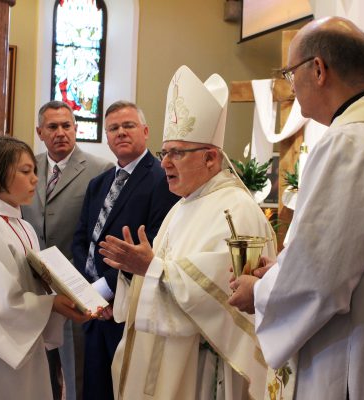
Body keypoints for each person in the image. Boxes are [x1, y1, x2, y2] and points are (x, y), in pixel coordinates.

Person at [228, 16, 364, 400]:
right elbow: (352, 256)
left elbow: (319, 279)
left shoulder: (350, 145)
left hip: (349, 366)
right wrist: (280, 272)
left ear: (318, 69)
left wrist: (261, 292)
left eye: (289, 71)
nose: (290, 84)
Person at [98, 65, 277, 400]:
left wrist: (150, 268)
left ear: (210, 158)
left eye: (176, 152)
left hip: (200, 369)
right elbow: (158, 272)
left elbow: (231, 297)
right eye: (164, 153)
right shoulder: (182, 206)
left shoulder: (236, 211)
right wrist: (132, 272)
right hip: (165, 359)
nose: (165, 162)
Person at [0, 135, 94, 400]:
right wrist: (50, 304)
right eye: (25, 171)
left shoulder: (20, 224)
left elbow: (30, 285)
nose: (35, 179)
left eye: (34, 171)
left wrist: (59, 296)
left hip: (26, 340)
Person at [72, 100, 179, 400]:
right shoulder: (98, 183)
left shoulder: (161, 180)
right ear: (106, 137)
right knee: (93, 388)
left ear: (145, 131)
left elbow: (156, 242)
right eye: (114, 128)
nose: (121, 132)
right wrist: (86, 290)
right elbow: (82, 240)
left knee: (123, 387)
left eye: (128, 125)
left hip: (128, 306)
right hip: (94, 307)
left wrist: (104, 292)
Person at [21, 100, 113, 400]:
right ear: (40, 132)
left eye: (66, 125)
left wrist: (80, 281)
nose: (61, 132)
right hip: (35, 286)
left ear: (75, 128)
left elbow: (99, 231)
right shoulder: (27, 168)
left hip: (76, 283)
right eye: (52, 127)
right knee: (39, 368)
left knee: (76, 369)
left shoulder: (101, 170)